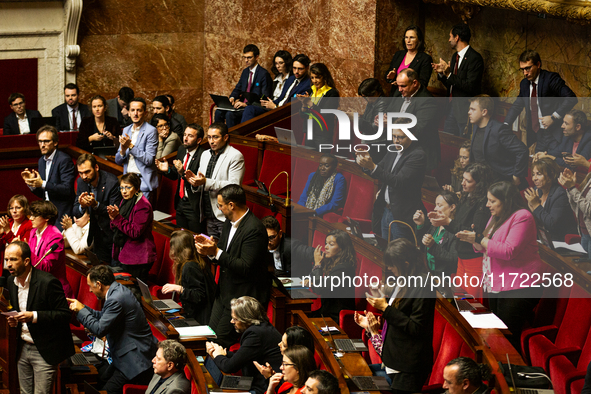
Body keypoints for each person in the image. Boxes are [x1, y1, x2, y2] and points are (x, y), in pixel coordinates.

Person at [464, 181, 544, 350]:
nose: (487, 205)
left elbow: (509, 251)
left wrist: (480, 239)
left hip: (521, 285)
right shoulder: (496, 217)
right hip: (498, 283)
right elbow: (485, 245)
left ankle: (511, 372)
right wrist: (474, 239)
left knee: (507, 337)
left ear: (506, 200)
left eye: (492, 201)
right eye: (487, 200)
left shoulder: (523, 216)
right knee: (498, 333)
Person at [195, 185, 270, 347]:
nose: (219, 209)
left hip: (241, 297)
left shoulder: (254, 229)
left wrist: (216, 251)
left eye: (220, 205)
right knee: (210, 338)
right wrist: (209, 251)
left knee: (219, 342)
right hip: (223, 292)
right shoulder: (229, 222)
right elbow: (221, 253)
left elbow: (245, 266)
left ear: (231, 205)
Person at [67, 265, 158, 394]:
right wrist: (82, 308)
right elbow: (103, 317)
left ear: (98, 284)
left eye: (90, 286)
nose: (90, 290)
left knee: (106, 390)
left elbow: (99, 329)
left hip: (134, 361)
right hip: (124, 355)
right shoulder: (117, 291)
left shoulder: (116, 298)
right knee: (101, 377)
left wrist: (81, 311)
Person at [365, 238, 436, 394]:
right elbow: (399, 309)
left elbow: (416, 327)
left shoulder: (424, 285)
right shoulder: (404, 279)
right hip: (394, 358)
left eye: (392, 264)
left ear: (405, 264)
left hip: (410, 365)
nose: (389, 268)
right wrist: (382, 297)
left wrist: (384, 308)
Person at [5, 241, 75, 394]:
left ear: (26, 261)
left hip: (44, 349)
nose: (8, 264)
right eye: (6, 260)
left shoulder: (48, 282)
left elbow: (64, 314)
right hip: (22, 347)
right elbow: (18, 309)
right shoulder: (11, 281)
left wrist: (34, 316)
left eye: (13, 260)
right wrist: (14, 319)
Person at [431, 163, 492, 299]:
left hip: (473, 259)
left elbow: (474, 234)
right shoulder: (466, 196)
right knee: (460, 299)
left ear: (479, 183)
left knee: (470, 302)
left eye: (468, 181)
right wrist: (444, 221)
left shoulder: (483, 204)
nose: (463, 183)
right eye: (463, 179)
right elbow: (458, 225)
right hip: (462, 257)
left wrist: (448, 222)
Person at [357, 128, 426, 241]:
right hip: (386, 210)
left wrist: (373, 167)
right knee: (385, 250)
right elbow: (379, 171)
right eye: (394, 136)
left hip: (402, 215)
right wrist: (365, 163)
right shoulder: (393, 149)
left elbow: (398, 182)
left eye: (400, 137)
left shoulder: (417, 155)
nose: (396, 140)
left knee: (398, 254)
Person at [205, 296, 283, 394]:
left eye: (235, 319)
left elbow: (229, 367)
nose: (231, 321)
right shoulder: (261, 327)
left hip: (263, 388)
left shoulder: (255, 334)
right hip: (255, 382)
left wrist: (217, 355)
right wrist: (224, 354)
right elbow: (245, 357)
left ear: (246, 319)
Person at [504, 50, 577, 150]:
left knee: (553, 163)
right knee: (537, 163)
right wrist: (506, 124)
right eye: (522, 69)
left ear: (538, 64)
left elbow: (571, 98)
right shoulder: (524, 84)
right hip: (538, 134)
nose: (525, 73)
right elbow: (517, 105)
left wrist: (553, 117)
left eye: (528, 68)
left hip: (555, 135)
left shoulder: (551, 79)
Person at [189, 122, 245, 238]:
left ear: (225, 137)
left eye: (215, 137)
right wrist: (195, 183)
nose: (211, 141)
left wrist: (205, 182)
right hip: (207, 212)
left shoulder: (235, 156)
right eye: (209, 137)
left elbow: (234, 186)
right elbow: (201, 180)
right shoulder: (205, 154)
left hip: (224, 214)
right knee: (211, 249)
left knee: (224, 251)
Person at [432, 24, 484, 137]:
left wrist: (448, 74)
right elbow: (453, 84)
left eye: (450, 36)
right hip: (450, 108)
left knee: (463, 144)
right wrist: (442, 74)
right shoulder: (455, 56)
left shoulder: (475, 58)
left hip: (465, 111)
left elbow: (470, 86)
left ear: (457, 38)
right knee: (447, 142)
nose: (449, 39)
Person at [21, 125, 76, 231]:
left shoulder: (64, 160)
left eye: (46, 141)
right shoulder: (41, 161)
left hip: (62, 214)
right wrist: (31, 183)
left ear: (55, 142)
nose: (42, 145)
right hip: (46, 213)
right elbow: (44, 192)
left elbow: (67, 189)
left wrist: (42, 183)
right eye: (40, 142)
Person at [467, 95, 529, 188]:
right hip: (481, 181)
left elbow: (522, 150)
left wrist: (516, 176)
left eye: (473, 109)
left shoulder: (499, 129)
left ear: (484, 112)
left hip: (500, 183)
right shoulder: (476, 126)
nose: (469, 112)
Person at [156, 123, 207, 233]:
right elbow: (175, 174)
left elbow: (196, 182)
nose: (185, 138)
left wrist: (182, 172)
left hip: (193, 205)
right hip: (180, 202)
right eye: (184, 135)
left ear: (198, 140)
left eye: (190, 136)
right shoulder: (181, 150)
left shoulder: (204, 155)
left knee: (194, 239)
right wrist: (167, 170)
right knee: (180, 237)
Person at [386, 68, 440, 171]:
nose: (399, 89)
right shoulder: (399, 94)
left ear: (414, 83)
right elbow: (389, 112)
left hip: (419, 153)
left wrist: (389, 124)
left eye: (403, 86)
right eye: (398, 86)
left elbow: (418, 129)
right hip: (399, 149)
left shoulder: (427, 101)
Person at [74, 153, 122, 264]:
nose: (84, 176)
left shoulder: (111, 182)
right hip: (97, 236)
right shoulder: (81, 182)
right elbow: (75, 210)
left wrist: (95, 205)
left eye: (87, 172)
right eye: (80, 173)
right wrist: (82, 206)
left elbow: (114, 212)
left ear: (96, 167)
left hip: (113, 235)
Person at [108, 173, 156, 280]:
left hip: (139, 257)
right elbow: (118, 225)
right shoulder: (125, 201)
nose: (124, 191)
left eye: (128, 187)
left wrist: (117, 218)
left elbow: (135, 232)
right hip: (125, 252)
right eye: (121, 188)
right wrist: (113, 218)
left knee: (133, 290)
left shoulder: (143, 205)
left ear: (137, 188)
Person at [162, 230, 215, 325]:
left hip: (200, 319)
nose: (172, 250)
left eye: (173, 246)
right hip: (195, 314)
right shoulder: (194, 262)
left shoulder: (190, 266)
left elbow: (199, 296)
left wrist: (180, 289)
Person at [214, 44, 272, 128]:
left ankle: (232, 139)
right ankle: (218, 136)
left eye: (249, 57)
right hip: (240, 105)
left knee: (230, 114)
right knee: (218, 112)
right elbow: (238, 88)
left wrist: (246, 104)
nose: (246, 60)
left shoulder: (264, 74)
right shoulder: (245, 72)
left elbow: (264, 96)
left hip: (251, 106)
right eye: (244, 57)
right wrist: (232, 98)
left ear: (257, 57)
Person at [241, 54, 312, 123]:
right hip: (275, 107)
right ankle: (242, 134)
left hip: (284, 114)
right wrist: (269, 103)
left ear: (307, 68)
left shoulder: (308, 84)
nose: (296, 72)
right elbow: (281, 98)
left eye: (300, 69)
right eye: (294, 68)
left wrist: (275, 107)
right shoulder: (291, 79)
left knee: (250, 109)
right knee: (250, 107)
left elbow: (294, 108)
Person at [115, 97, 159, 202]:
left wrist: (130, 146)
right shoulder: (126, 130)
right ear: (128, 113)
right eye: (133, 110)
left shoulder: (151, 131)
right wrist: (122, 149)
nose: (135, 113)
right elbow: (118, 160)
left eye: (139, 110)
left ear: (145, 113)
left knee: (141, 217)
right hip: (127, 182)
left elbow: (149, 160)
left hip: (142, 182)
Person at [307, 229, 356, 322]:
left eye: (331, 244)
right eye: (326, 243)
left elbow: (320, 288)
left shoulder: (343, 269)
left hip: (337, 318)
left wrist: (317, 264)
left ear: (342, 248)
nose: (326, 247)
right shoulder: (333, 262)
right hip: (326, 312)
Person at [27, 200, 73, 298]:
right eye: (31, 215)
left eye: (35, 215)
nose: (31, 218)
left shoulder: (55, 237)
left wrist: (26, 250)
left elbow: (46, 267)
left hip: (53, 290)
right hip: (37, 285)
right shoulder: (33, 232)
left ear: (47, 218)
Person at [524, 158, 577, 241]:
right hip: (542, 237)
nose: (534, 178)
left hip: (560, 240)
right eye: (533, 174)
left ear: (551, 175)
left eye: (539, 174)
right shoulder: (537, 190)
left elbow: (552, 224)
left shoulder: (560, 194)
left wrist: (536, 206)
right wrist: (531, 210)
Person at [413, 190, 460, 276]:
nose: (435, 208)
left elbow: (453, 260)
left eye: (439, 205)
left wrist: (433, 246)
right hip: (430, 273)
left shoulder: (456, 230)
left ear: (452, 207)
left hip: (445, 279)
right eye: (436, 205)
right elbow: (423, 247)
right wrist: (420, 225)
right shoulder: (436, 224)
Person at [299, 63, 340, 148]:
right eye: (312, 78)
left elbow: (325, 115)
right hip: (309, 131)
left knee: (321, 160)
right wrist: (304, 103)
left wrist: (310, 102)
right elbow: (302, 115)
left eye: (317, 77)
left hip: (322, 135)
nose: (314, 81)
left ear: (324, 77)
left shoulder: (332, 93)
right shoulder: (311, 90)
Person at [385, 25, 433, 95]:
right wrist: (391, 77)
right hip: (395, 96)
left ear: (419, 40)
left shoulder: (425, 59)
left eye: (412, 38)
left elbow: (423, 83)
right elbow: (387, 75)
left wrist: (404, 84)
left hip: (412, 98)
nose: (408, 41)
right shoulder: (398, 54)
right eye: (406, 37)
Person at [558, 168, 591, 259]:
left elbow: (589, 210)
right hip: (584, 232)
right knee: (582, 269)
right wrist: (570, 187)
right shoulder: (589, 177)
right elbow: (577, 207)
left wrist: (572, 188)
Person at [357, 78, 389, 163]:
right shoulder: (372, 101)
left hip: (378, 143)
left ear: (376, 93)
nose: (365, 99)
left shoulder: (382, 103)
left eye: (366, 96)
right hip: (371, 142)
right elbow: (365, 120)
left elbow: (374, 128)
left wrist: (355, 119)